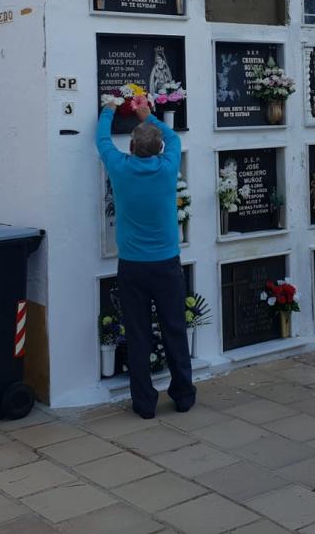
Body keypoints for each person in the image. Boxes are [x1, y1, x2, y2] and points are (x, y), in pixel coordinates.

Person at [96, 100, 194, 419]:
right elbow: (175, 138)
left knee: (138, 335)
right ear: (159, 148)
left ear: (133, 146)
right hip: (167, 264)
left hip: (133, 267)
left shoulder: (120, 168)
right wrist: (147, 115)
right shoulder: (168, 167)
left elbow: (102, 140)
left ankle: (144, 404)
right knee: (174, 329)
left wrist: (109, 109)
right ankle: (182, 396)